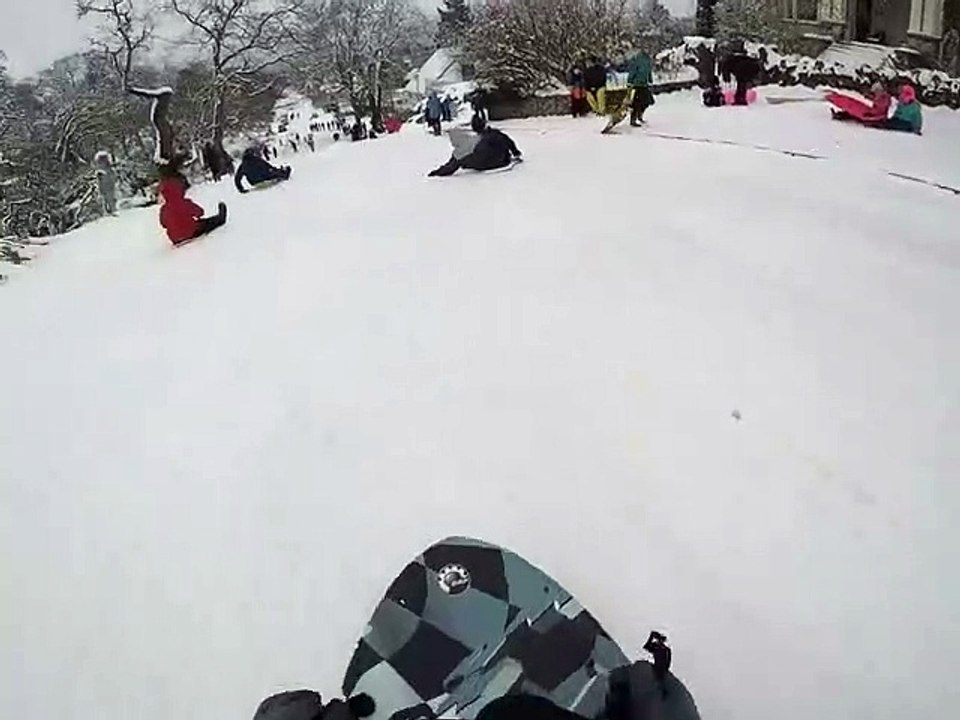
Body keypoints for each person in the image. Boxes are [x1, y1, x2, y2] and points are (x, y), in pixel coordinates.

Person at [158, 156, 227, 246]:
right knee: (206, 223)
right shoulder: (184, 203)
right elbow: (200, 212)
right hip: (190, 232)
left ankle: (180, 237)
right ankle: (220, 218)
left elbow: (163, 224)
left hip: (175, 239)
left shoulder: (164, 209)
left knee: (193, 224)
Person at [428, 116, 521, 177]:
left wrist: (437, 172)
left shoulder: (470, 144)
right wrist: (515, 152)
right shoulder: (496, 134)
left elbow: (452, 166)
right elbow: (509, 142)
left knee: (463, 157)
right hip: (503, 161)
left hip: (485, 165)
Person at [719, 41, 761, 106]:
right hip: (749, 67)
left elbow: (725, 71)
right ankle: (741, 98)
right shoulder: (736, 58)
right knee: (742, 84)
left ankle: (740, 100)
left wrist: (727, 80)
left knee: (741, 84)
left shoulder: (728, 61)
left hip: (742, 69)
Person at [625, 51, 654, 126]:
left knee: (647, 101)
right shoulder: (637, 59)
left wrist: (650, 80)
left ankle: (639, 115)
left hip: (644, 84)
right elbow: (633, 71)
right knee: (637, 103)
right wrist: (630, 81)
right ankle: (633, 119)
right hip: (637, 84)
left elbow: (648, 71)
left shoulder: (648, 60)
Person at [93, 150, 118, 216]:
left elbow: (112, 176)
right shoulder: (102, 168)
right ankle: (108, 211)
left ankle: (111, 210)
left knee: (109, 198)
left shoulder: (107, 168)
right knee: (106, 198)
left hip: (108, 185)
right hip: (104, 186)